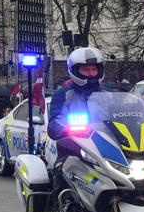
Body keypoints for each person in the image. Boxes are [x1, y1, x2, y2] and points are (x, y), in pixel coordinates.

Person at [47, 47, 112, 187]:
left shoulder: (110, 95)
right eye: (86, 70)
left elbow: (126, 115)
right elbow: (55, 121)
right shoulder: (64, 94)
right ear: (76, 71)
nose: (91, 73)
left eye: (94, 69)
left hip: (106, 147)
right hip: (74, 147)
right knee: (63, 170)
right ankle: (62, 204)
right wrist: (65, 129)